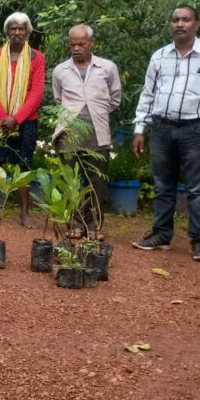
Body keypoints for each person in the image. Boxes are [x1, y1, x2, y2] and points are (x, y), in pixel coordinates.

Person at [131, 6, 200, 262]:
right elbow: (147, 94)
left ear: (197, 24)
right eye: (176, 20)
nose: (180, 24)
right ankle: (161, 235)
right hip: (161, 128)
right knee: (162, 185)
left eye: (186, 19)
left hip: (197, 129)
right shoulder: (159, 56)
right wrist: (140, 129)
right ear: (170, 24)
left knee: (198, 188)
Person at [51, 24, 121, 240]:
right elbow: (58, 99)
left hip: (98, 132)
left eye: (81, 44)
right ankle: (74, 223)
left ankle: (93, 225)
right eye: (73, 44)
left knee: (96, 181)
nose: (76, 48)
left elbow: (115, 98)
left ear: (92, 43)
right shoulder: (60, 70)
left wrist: (94, 112)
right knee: (71, 180)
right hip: (69, 134)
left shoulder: (107, 68)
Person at [0, 12, 45, 227]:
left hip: (26, 120)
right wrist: (3, 116)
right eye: (13, 28)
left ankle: (24, 213)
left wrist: (16, 118)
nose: (17, 32)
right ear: (6, 32)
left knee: (23, 164)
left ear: (27, 32)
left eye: (21, 28)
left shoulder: (36, 58)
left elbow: (37, 92)